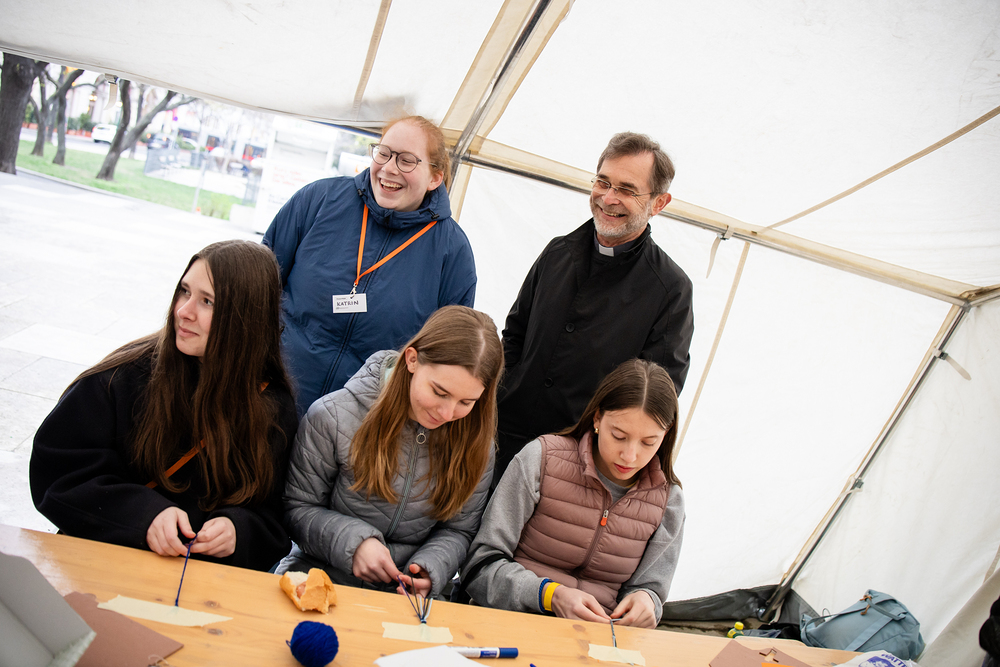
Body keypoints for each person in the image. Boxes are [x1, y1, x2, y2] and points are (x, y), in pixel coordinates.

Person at [30, 240, 299, 572]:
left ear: (246, 318)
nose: (183, 311)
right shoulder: (122, 377)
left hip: (197, 584)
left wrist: (238, 530)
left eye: (207, 301)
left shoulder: (273, 406)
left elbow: (275, 518)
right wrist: (144, 515)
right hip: (99, 565)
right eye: (184, 291)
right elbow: (57, 474)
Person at [494, 131, 694, 484]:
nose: (609, 198)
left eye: (627, 189)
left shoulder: (671, 289)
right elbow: (514, 335)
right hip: (504, 438)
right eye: (603, 182)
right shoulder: (556, 253)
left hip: (579, 464)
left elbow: (656, 396)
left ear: (659, 203)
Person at [278, 305, 503, 597]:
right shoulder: (333, 416)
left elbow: (460, 530)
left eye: (466, 402)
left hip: (407, 598)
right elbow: (296, 508)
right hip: (319, 577)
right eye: (439, 392)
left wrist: (431, 568)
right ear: (412, 359)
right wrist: (353, 543)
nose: (447, 413)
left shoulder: (477, 446)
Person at [263, 115, 477, 416]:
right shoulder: (318, 200)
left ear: (435, 178)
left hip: (360, 421)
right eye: (384, 153)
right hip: (269, 397)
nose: (389, 168)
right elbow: (258, 287)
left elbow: (446, 355)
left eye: (406, 160)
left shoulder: (453, 252)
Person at [461, 358, 684, 628]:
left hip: (594, 640)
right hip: (508, 626)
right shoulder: (541, 460)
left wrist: (647, 601)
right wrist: (549, 595)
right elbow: (479, 568)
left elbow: (651, 590)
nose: (630, 455)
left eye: (648, 442)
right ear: (597, 417)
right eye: (618, 435)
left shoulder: (668, 502)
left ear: (666, 434)